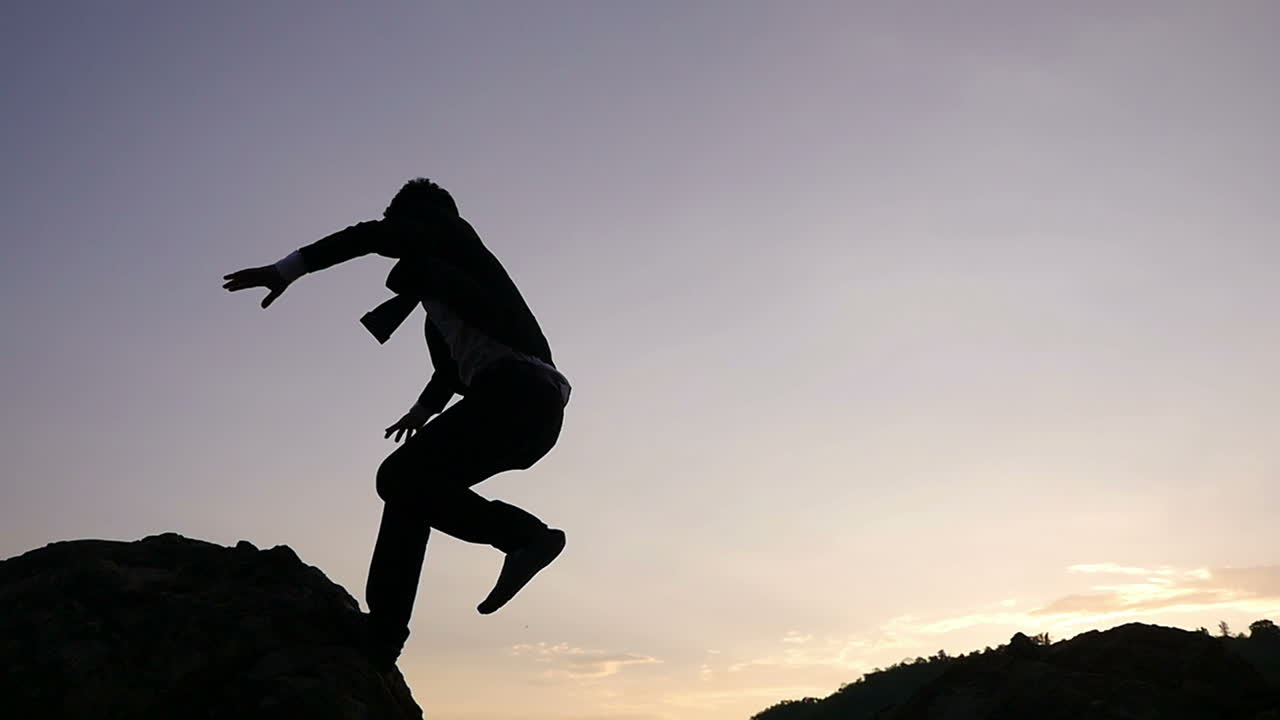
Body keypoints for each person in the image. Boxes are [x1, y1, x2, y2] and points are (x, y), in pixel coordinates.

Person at [223, 178, 571, 671]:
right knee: (411, 489)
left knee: (399, 479)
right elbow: (450, 372)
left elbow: (366, 236)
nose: (393, 233)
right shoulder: (441, 301)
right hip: (528, 408)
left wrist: (288, 269)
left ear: (422, 220)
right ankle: (383, 635)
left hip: (519, 394)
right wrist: (421, 413)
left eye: (399, 223)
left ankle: (523, 536)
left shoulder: (454, 234)